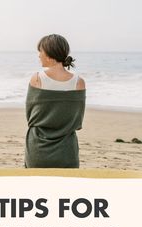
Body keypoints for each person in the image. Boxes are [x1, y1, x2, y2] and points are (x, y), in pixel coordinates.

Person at [25, 34, 86, 168]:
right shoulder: (79, 82)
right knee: (66, 188)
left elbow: (30, 118)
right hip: (66, 151)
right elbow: (78, 122)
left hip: (38, 149)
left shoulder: (36, 79)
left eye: (40, 51)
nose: (39, 55)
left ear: (48, 53)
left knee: (34, 188)